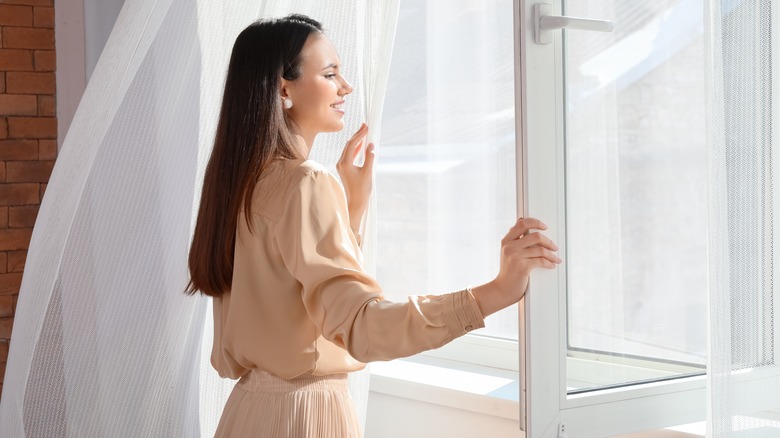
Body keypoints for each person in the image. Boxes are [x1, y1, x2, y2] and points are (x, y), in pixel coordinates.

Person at [186, 14, 561, 438]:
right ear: (284, 89)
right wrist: (496, 292)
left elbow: (291, 299)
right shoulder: (306, 182)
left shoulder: (239, 183)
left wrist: (351, 211)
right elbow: (361, 328)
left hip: (247, 413)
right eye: (330, 74)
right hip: (304, 416)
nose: (345, 87)